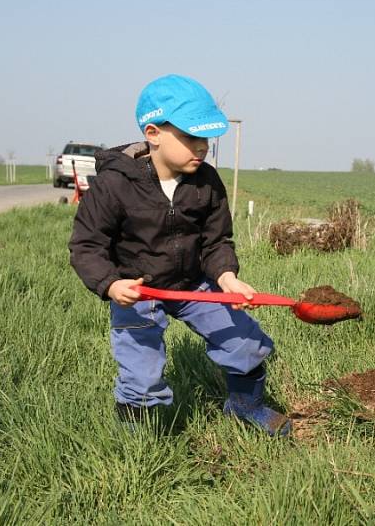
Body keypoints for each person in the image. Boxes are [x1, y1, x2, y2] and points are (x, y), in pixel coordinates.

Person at [68, 74, 290, 437]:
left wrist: (226, 277)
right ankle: (136, 446)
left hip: (193, 285)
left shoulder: (207, 182)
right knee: (141, 378)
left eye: (205, 138)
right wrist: (110, 284)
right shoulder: (114, 185)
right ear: (153, 133)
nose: (201, 147)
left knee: (246, 343)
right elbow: (86, 245)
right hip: (139, 291)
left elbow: (216, 241)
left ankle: (245, 406)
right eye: (190, 137)